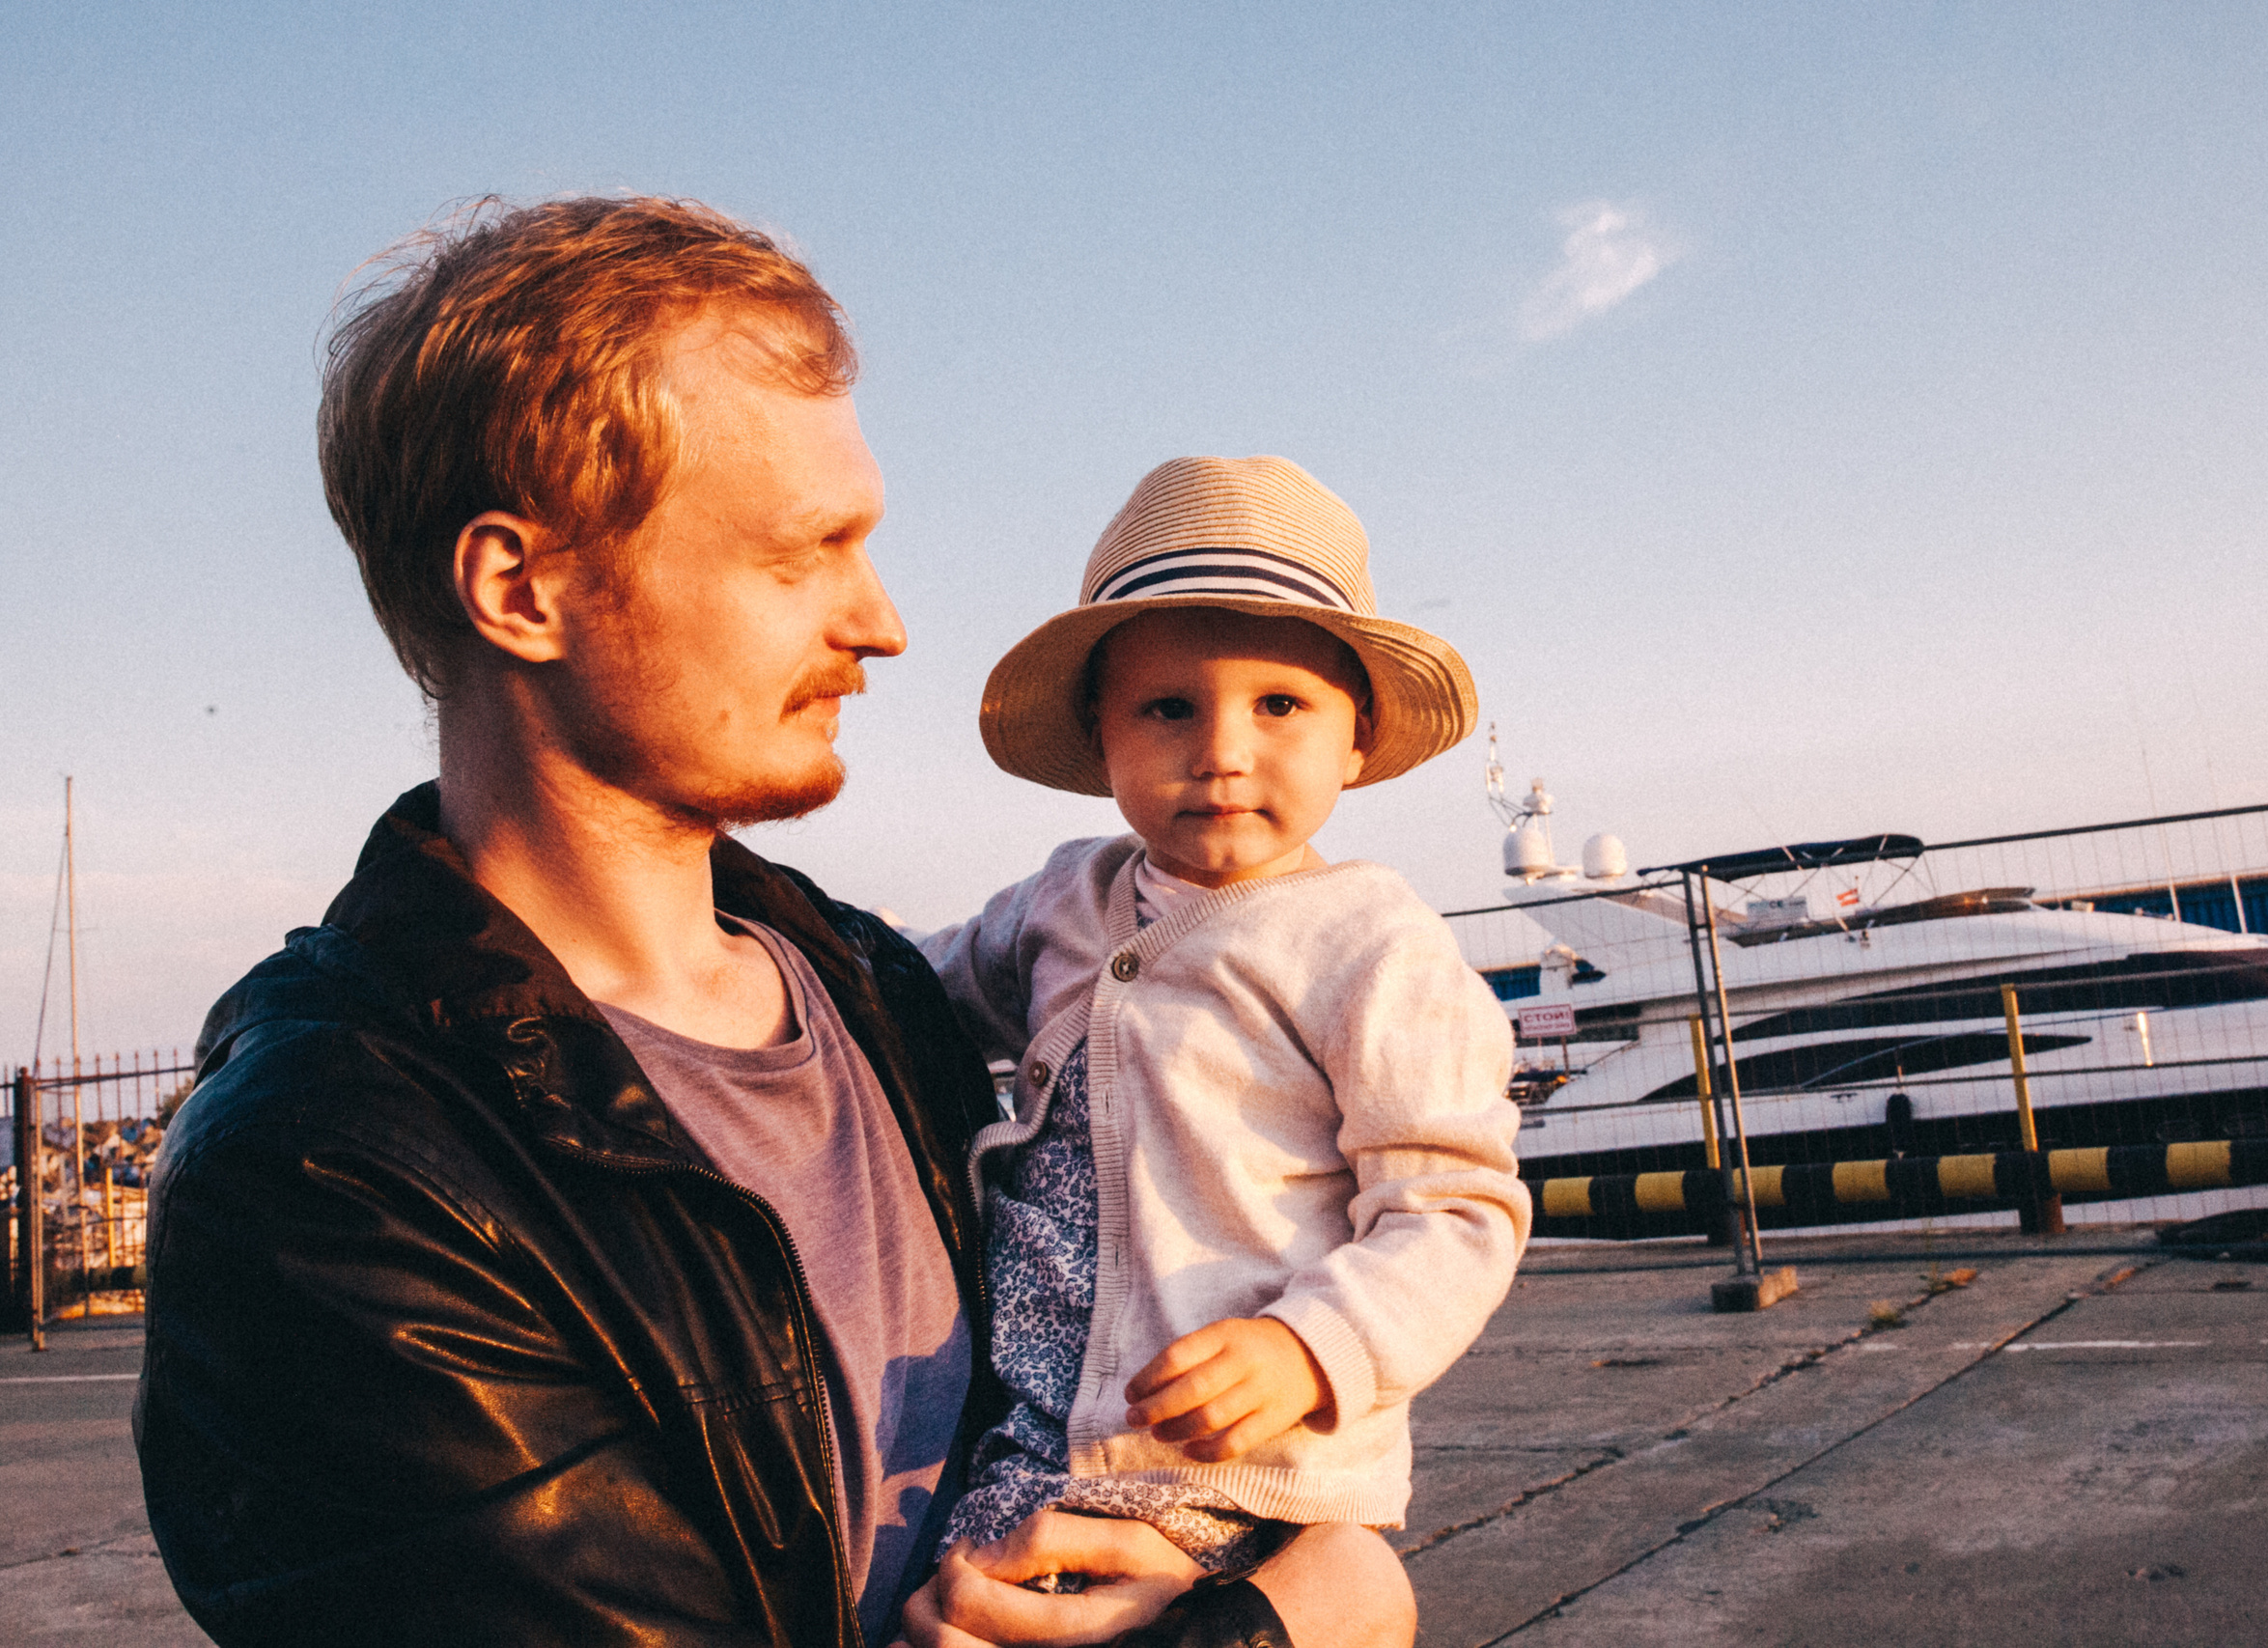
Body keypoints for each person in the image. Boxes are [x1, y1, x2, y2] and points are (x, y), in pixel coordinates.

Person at [134, 196, 1404, 1648]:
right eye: (806, 549)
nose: (882, 621)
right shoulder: (331, 1176)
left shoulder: (876, 990)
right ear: (524, 586)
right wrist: (1301, 1612)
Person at [903, 457, 1531, 1644]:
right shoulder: (1062, 901)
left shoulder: (1370, 942)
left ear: (1358, 738)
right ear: (1101, 737)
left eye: (1278, 706)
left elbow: (1455, 1207)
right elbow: (904, 991)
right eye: (1168, 708)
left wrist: (1313, 1346)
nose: (1222, 750)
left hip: (1238, 1463)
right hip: (1029, 1433)